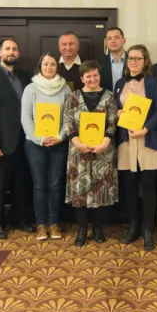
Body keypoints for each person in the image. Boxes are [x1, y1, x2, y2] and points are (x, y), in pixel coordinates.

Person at [0, 38, 33, 239]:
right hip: (0, 143)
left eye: (14, 49)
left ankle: (19, 219)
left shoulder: (26, 76)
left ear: (18, 54)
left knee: (21, 183)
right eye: (7, 49)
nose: (11, 52)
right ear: (0, 53)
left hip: (24, 140)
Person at [114, 44, 157, 251]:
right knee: (129, 186)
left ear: (145, 62)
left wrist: (145, 129)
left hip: (148, 139)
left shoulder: (153, 83)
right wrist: (118, 113)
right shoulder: (120, 83)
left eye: (138, 58)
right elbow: (117, 107)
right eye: (130, 58)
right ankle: (133, 226)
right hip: (127, 141)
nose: (133, 62)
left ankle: (147, 229)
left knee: (148, 186)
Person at [64, 60, 119, 247]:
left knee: (100, 190)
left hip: (103, 151)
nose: (92, 79)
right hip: (78, 151)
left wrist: (105, 142)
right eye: (88, 76)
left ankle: (98, 228)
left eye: (95, 75)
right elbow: (68, 122)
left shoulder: (109, 96)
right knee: (80, 191)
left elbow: (112, 122)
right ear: (82, 78)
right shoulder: (73, 96)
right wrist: (77, 143)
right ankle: (81, 229)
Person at [21, 53, 71, 241]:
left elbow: (69, 117)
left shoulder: (65, 88)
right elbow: (26, 118)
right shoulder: (31, 89)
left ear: (57, 67)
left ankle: (54, 223)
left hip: (58, 144)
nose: (49, 67)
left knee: (55, 184)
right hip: (35, 145)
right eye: (45, 64)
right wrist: (40, 139)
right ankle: (41, 224)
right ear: (40, 67)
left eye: (52, 64)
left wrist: (59, 137)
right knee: (39, 185)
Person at [100, 26, 126, 92]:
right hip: (107, 98)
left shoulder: (134, 60)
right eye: (109, 38)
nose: (113, 41)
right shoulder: (99, 62)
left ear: (124, 40)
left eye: (117, 37)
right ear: (106, 43)